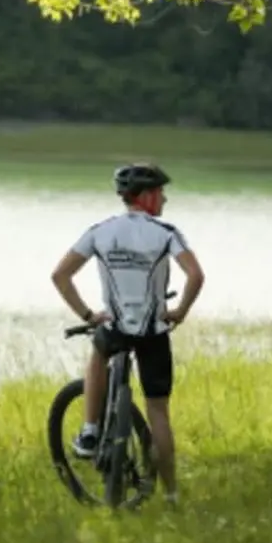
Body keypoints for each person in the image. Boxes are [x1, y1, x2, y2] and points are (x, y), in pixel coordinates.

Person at [49, 163, 205, 504]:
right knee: (158, 413)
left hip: (115, 326)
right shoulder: (166, 233)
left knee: (98, 352)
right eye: (161, 192)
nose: (164, 199)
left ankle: (90, 430)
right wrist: (180, 311)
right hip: (154, 333)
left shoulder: (100, 231)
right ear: (146, 197)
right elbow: (195, 275)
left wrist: (88, 315)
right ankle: (172, 496)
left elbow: (60, 275)